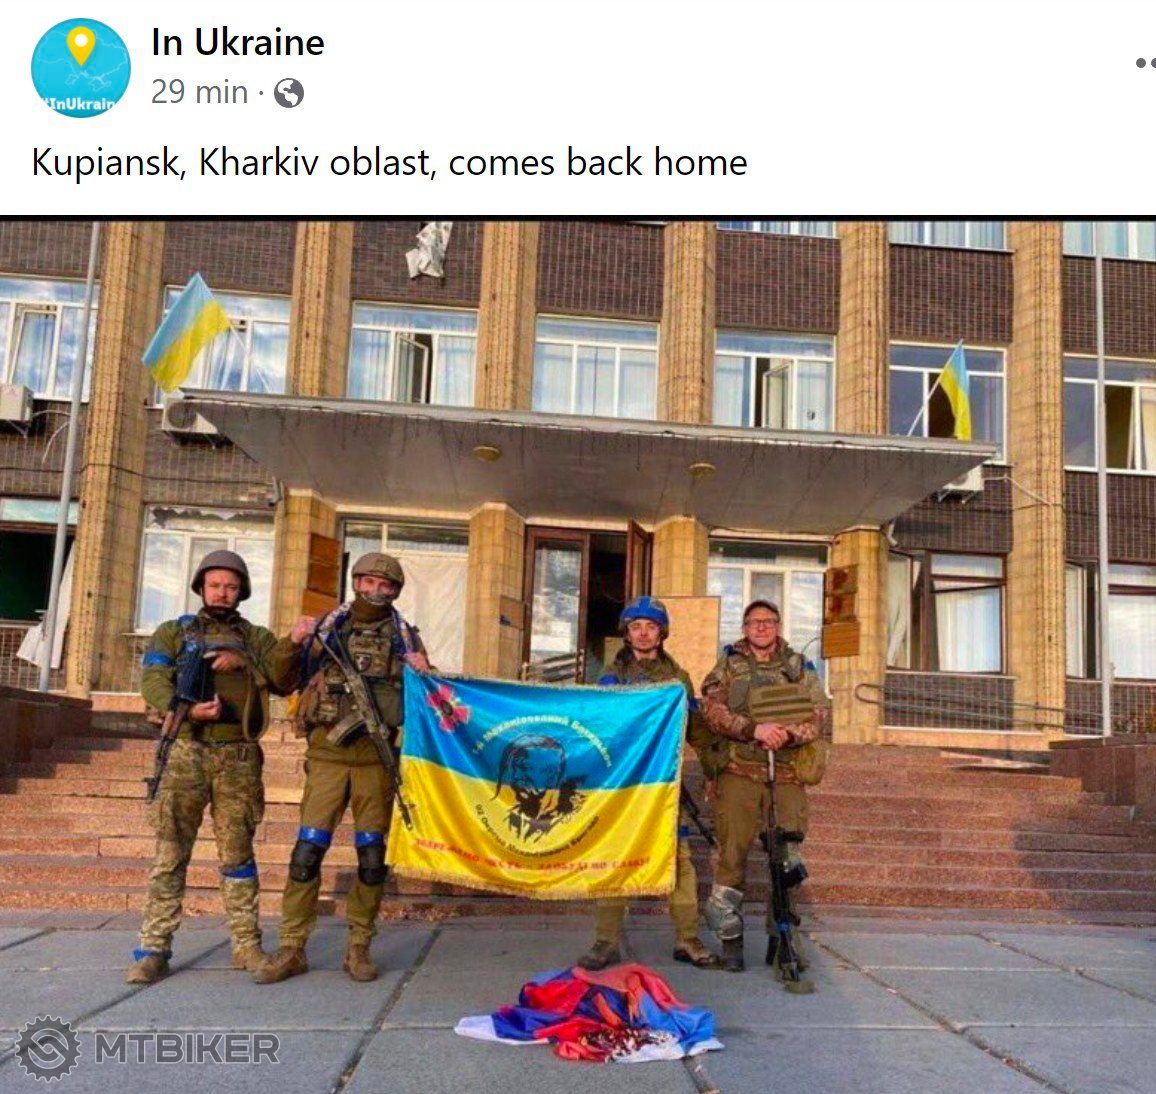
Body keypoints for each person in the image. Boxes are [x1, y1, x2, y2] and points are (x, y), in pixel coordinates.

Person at [125, 550, 309, 984]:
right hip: (186, 751)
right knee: (170, 854)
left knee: (238, 855)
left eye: (231, 586)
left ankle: (246, 946)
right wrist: (186, 710)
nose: (222, 593)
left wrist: (248, 661)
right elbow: (153, 681)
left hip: (237, 758)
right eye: (214, 585)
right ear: (201, 588)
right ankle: (153, 949)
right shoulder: (173, 632)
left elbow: (284, 679)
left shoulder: (256, 638)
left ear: (242, 591)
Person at [253, 552, 431, 985]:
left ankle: (359, 946)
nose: (375, 590)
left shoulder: (405, 637)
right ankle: (292, 946)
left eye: (385, 585)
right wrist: (293, 641)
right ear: (355, 582)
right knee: (307, 853)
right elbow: (279, 679)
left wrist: (427, 673)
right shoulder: (327, 629)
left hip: (376, 761)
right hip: (328, 758)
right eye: (368, 581)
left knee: (371, 858)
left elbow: (429, 704)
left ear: (396, 591)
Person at [577, 596, 721, 972]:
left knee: (680, 862)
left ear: (661, 633)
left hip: (664, 787)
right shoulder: (611, 678)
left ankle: (687, 938)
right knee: (616, 860)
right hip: (624, 786)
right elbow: (599, 726)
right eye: (636, 626)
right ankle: (606, 941)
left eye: (651, 626)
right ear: (627, 633)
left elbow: (697, 732)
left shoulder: (678, 680)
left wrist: (714, 772)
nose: (643, 633)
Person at [699, 599, 828, 972]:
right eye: (754, 622)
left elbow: (819, 713)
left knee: (788, 859)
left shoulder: (798, 667)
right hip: (739, 773)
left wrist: (788, 734)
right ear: (744, 628)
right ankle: (731, 939)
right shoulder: (728, 665)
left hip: (786, 774)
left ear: (778, 626)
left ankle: (782, 936)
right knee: (732, 857)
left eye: (768, 621)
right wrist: (753, 729)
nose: (761, 627)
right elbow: (711, 710)